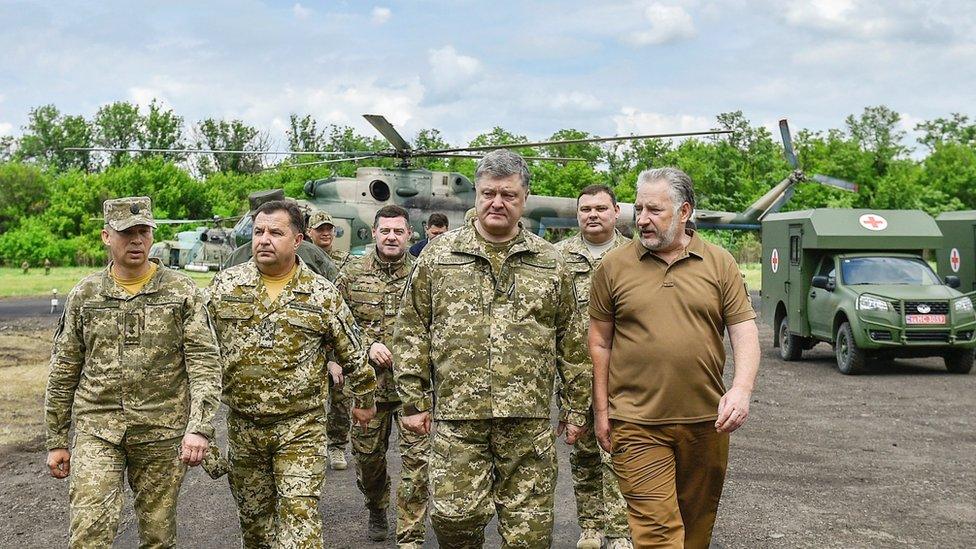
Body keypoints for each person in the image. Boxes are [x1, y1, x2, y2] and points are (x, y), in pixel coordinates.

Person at [394, 149, 591, 547]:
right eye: (488, 193)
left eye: (508, 195)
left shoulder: (550, 261)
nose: (497, 202)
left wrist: (574, 408)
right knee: (453, 522)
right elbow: (412, 328)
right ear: (476, 196)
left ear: (524, 199)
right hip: (457, 419)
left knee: (530, 535)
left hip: (527, 423)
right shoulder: (439, 256)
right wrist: (414, 400)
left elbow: (571, 339)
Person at [588, 167, 760, 548]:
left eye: (655, 210)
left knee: (696, 529)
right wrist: (602, 411)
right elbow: (599, 342)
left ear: (684, 211)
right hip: (636, 422)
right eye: (639, 209)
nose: (643, 220)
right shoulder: (614, 267)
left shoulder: (719, 263)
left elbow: (744, 329)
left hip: (706, 422)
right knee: (658, 533)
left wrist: (742, 388)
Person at [45, 196, 222, 547]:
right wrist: (56, 440)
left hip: (162, 431)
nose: (136, 240)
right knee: (89, 531)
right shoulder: (86, 294)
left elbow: (204, 362)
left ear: (152, 236)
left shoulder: (181, 292)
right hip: (99, 429)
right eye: (126, 232)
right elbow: (64, 369)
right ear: (106, 237)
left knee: (158, 536)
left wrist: (199, 429)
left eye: (143, 231)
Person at [208, 199, 377, 548]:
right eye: (258, 232)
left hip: (300, 428)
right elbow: (197, 354)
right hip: (244, 428)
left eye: (275, 232)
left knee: (301, 525)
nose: (264, 240)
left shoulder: (321, 293)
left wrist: (365, 398)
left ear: (298, 240)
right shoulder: (224, 287)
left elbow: (352, 351)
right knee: (256, 529)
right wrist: (200, 425)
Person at [337, 205, 429, 546]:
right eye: (385, 231)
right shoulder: (352, 274)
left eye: (399, 231)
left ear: (409, 235)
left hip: (414, 391)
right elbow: (337, 326)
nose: (392, 237)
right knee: (368, 463)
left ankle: (410, 536)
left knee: (416, 465)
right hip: (367, 390)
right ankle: (376, 506)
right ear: (374, 233)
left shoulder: (424, 274)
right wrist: (367, 345)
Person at [554, 184, 632, 549]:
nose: (592, 215)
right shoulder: (556, 257)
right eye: (585, 209)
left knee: (617, 453)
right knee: (583, 453)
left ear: (617, 212)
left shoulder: (634, 254)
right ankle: (590, 527)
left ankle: (619, 532)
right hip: (574, 375)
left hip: (623, 375)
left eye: (601, 208)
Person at [307, 208, 353, 472]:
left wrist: (335, 356)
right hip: (310, 339)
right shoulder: (300, 259)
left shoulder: (344, 261)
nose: (325, 233)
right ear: (309, 233)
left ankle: (336, 445)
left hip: (336, 339)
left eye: (329, 229)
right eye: (319, 229)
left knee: (340, 396)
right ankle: (310, 447)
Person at [223, 189, 338, 281]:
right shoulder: (237, 257)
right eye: (256, 216)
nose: (264, 240)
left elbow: (337, 288)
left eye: (275, 232)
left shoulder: (313, 255)